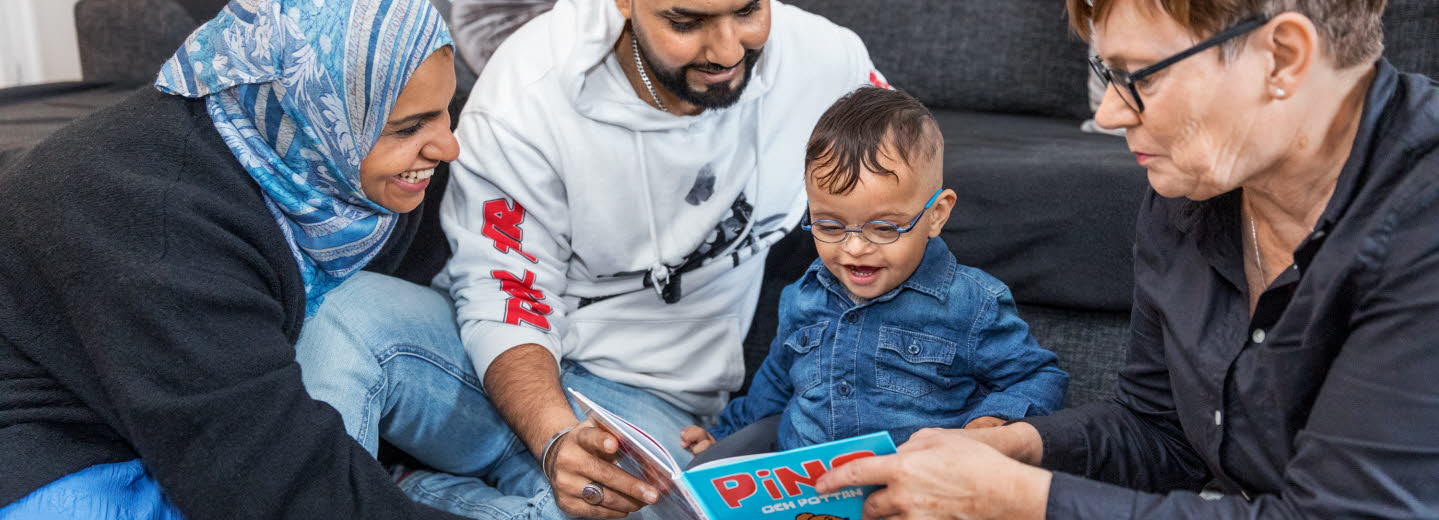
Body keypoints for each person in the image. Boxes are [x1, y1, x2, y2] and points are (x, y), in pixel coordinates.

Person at [813, 0, 1439, 518]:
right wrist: (1013, 446)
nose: (1110, 113)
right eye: (1107, 75)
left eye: (1140, 76)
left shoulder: (1422, 222)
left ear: (1282, 58)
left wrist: (1013, 496)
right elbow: (1162, 429)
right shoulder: (1191, 191)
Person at [353, 0, 889, 517]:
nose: (727, 51)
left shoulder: (829, 64)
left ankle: (404, 491)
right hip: (483, 364)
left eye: (748, 11)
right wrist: (555, 436)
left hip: (653, 401)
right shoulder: (530, 84)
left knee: (641, 511)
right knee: (345, 315)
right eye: (686, 21)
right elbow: (503, 291)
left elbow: (908, 194)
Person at [0, 0, 468, 517]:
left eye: (444, 110)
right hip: (54, 454)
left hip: (185, 420)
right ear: (310, 113)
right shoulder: (160, 229)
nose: (448, 146)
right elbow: (272, 487)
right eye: (407, 128)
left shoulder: (324, 170)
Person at [678, 87, 1068, 462]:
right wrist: (723, 435)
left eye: (884, 228)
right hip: (807, 495)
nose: (855, 248)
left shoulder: (972, 304)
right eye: (829, 226)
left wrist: (991, 425)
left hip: (915, 493)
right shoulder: (801, 298)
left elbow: (1038, 377)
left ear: (936, 214)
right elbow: (775, 386)